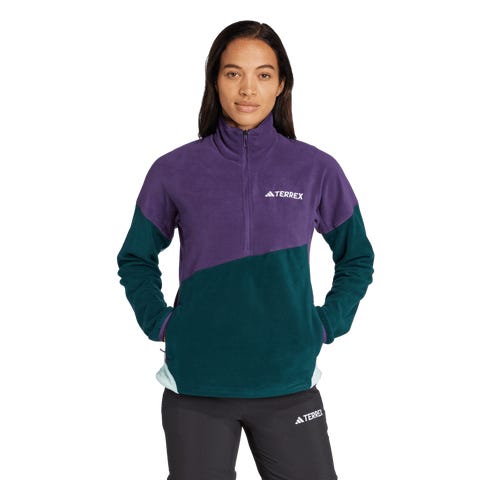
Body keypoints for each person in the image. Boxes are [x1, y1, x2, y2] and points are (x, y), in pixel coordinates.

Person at [116, 19, 374, 480]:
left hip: (288, 383)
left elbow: (357, 256)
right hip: (197, 388)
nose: (248, 89)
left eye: (263, 74)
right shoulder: (173, 170)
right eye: (233, 73)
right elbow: (136, 258)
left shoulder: (315, 169)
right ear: (215, 80)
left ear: (281, 84)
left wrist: (325, 324)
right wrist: (161, 322)